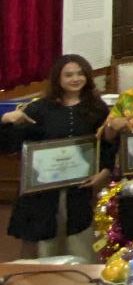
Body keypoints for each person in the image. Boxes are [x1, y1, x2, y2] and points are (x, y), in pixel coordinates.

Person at [1, 55, 115, 259]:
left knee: (80, 242)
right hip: (42, 191)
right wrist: (7, 121)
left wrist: (104, 172)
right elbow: (10, 144)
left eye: (80, 74)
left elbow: (107, 145)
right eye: (68, 75)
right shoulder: (39, 108)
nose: (75, 79)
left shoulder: (97, 108)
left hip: (80, 190)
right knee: (40, 246)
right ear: (58, 78)